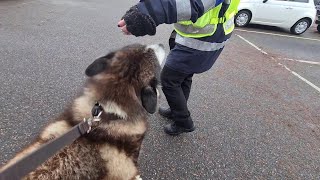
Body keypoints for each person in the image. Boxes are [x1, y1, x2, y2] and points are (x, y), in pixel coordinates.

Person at [118, 0, 240, 135]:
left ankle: (184, 122)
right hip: (200, 36)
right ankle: (176, 110)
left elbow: (193, 3)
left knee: (169, 79)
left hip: (203, 40)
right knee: (184, 76)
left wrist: (148, 11)